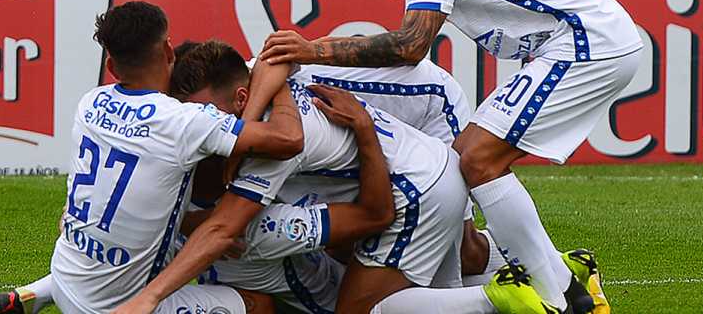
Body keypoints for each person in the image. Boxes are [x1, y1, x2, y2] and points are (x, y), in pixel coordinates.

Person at [259, 0, 641, 314]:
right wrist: (318, 49)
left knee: (479, 161)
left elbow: (409, 46)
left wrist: (314, 53)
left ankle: (554, 299)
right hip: (580, 40)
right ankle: (566, 283)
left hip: (586, 43)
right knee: (470, 158)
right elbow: (404, 44)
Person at [115, 40, 550, 314]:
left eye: (204, 112)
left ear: (240, 96)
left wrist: (150, 297)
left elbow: (224, 228)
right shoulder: (254, 86)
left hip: (413, 189)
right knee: (448, 275)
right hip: (422, 171)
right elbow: (271, 57)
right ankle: (549, 277)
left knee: (365, 306)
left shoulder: (271, 150)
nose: (201, 126)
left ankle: (497, 299)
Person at [0, 1, 306, 314]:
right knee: (258, 304)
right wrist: (273, 84)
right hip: (113, 308)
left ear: (111, 66)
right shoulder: (186, 122)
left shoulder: (89, 103)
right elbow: (287, 139)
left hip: (65, 272)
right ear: (168, 51)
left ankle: (36, 294)